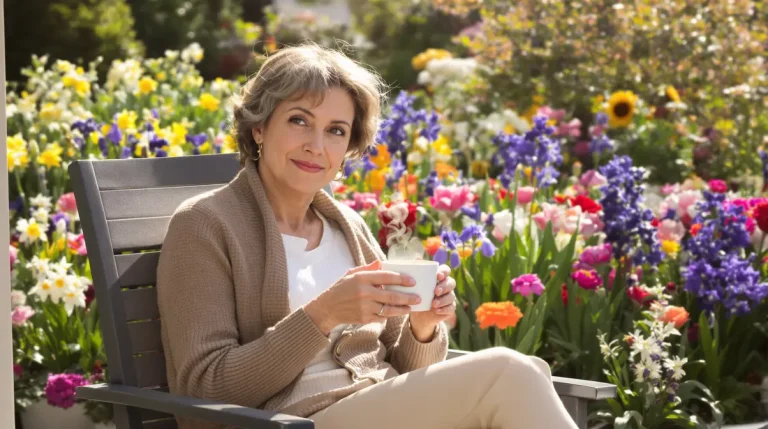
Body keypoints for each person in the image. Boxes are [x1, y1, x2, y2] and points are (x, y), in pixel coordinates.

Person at [156, 42, 579, 429]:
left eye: (336, 130)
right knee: (510, 374)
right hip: (289, 421)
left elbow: (406, 367)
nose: (316, 145)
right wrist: (322, 314)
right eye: (299, 120)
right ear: (259, 128)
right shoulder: (205, 224)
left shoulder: (347, 225)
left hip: (376, 406)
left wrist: (424, 327)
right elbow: (203, 387)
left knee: (527, 373)